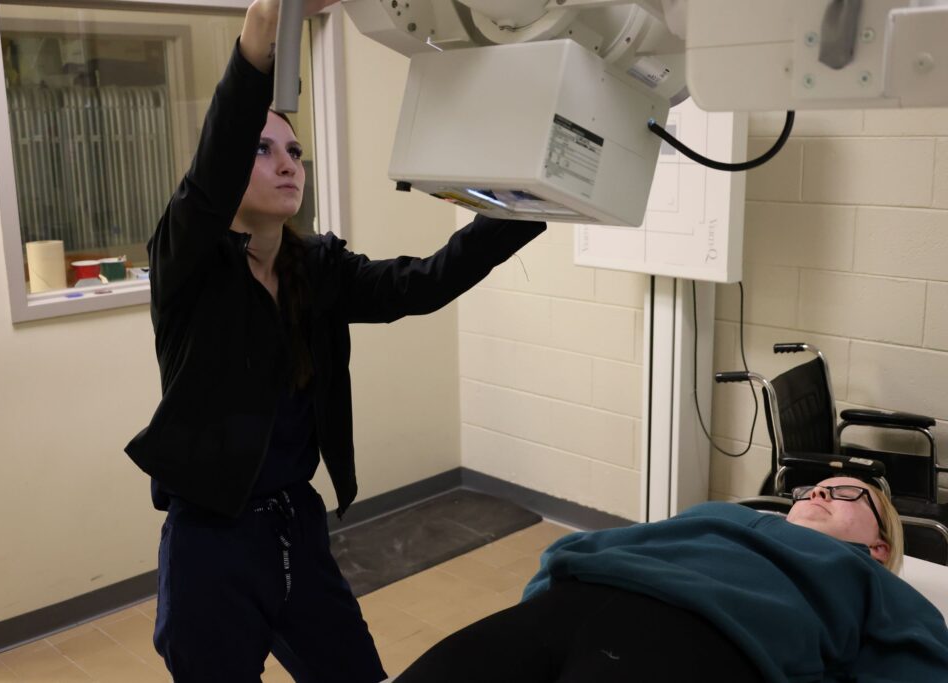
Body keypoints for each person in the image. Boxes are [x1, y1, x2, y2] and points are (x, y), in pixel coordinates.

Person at [121, 0, 546, 681]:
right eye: (263, 150)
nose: (289, 163)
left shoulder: (315, 270)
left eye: (295, 151)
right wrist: (266, 26)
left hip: (296, 526)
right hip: (211, 543)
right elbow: (218, 151)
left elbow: (423, 283)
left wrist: (531, 200)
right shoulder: (189, 266)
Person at [396, 476, 948, 682]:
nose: (820, 492)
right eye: (812, 489)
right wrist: (548, 592)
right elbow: (585, 546)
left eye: (849, 492)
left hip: (703, 636)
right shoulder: (721, 513)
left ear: (879, 547)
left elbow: (918, 662)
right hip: (574, 600)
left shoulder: (869, 579)